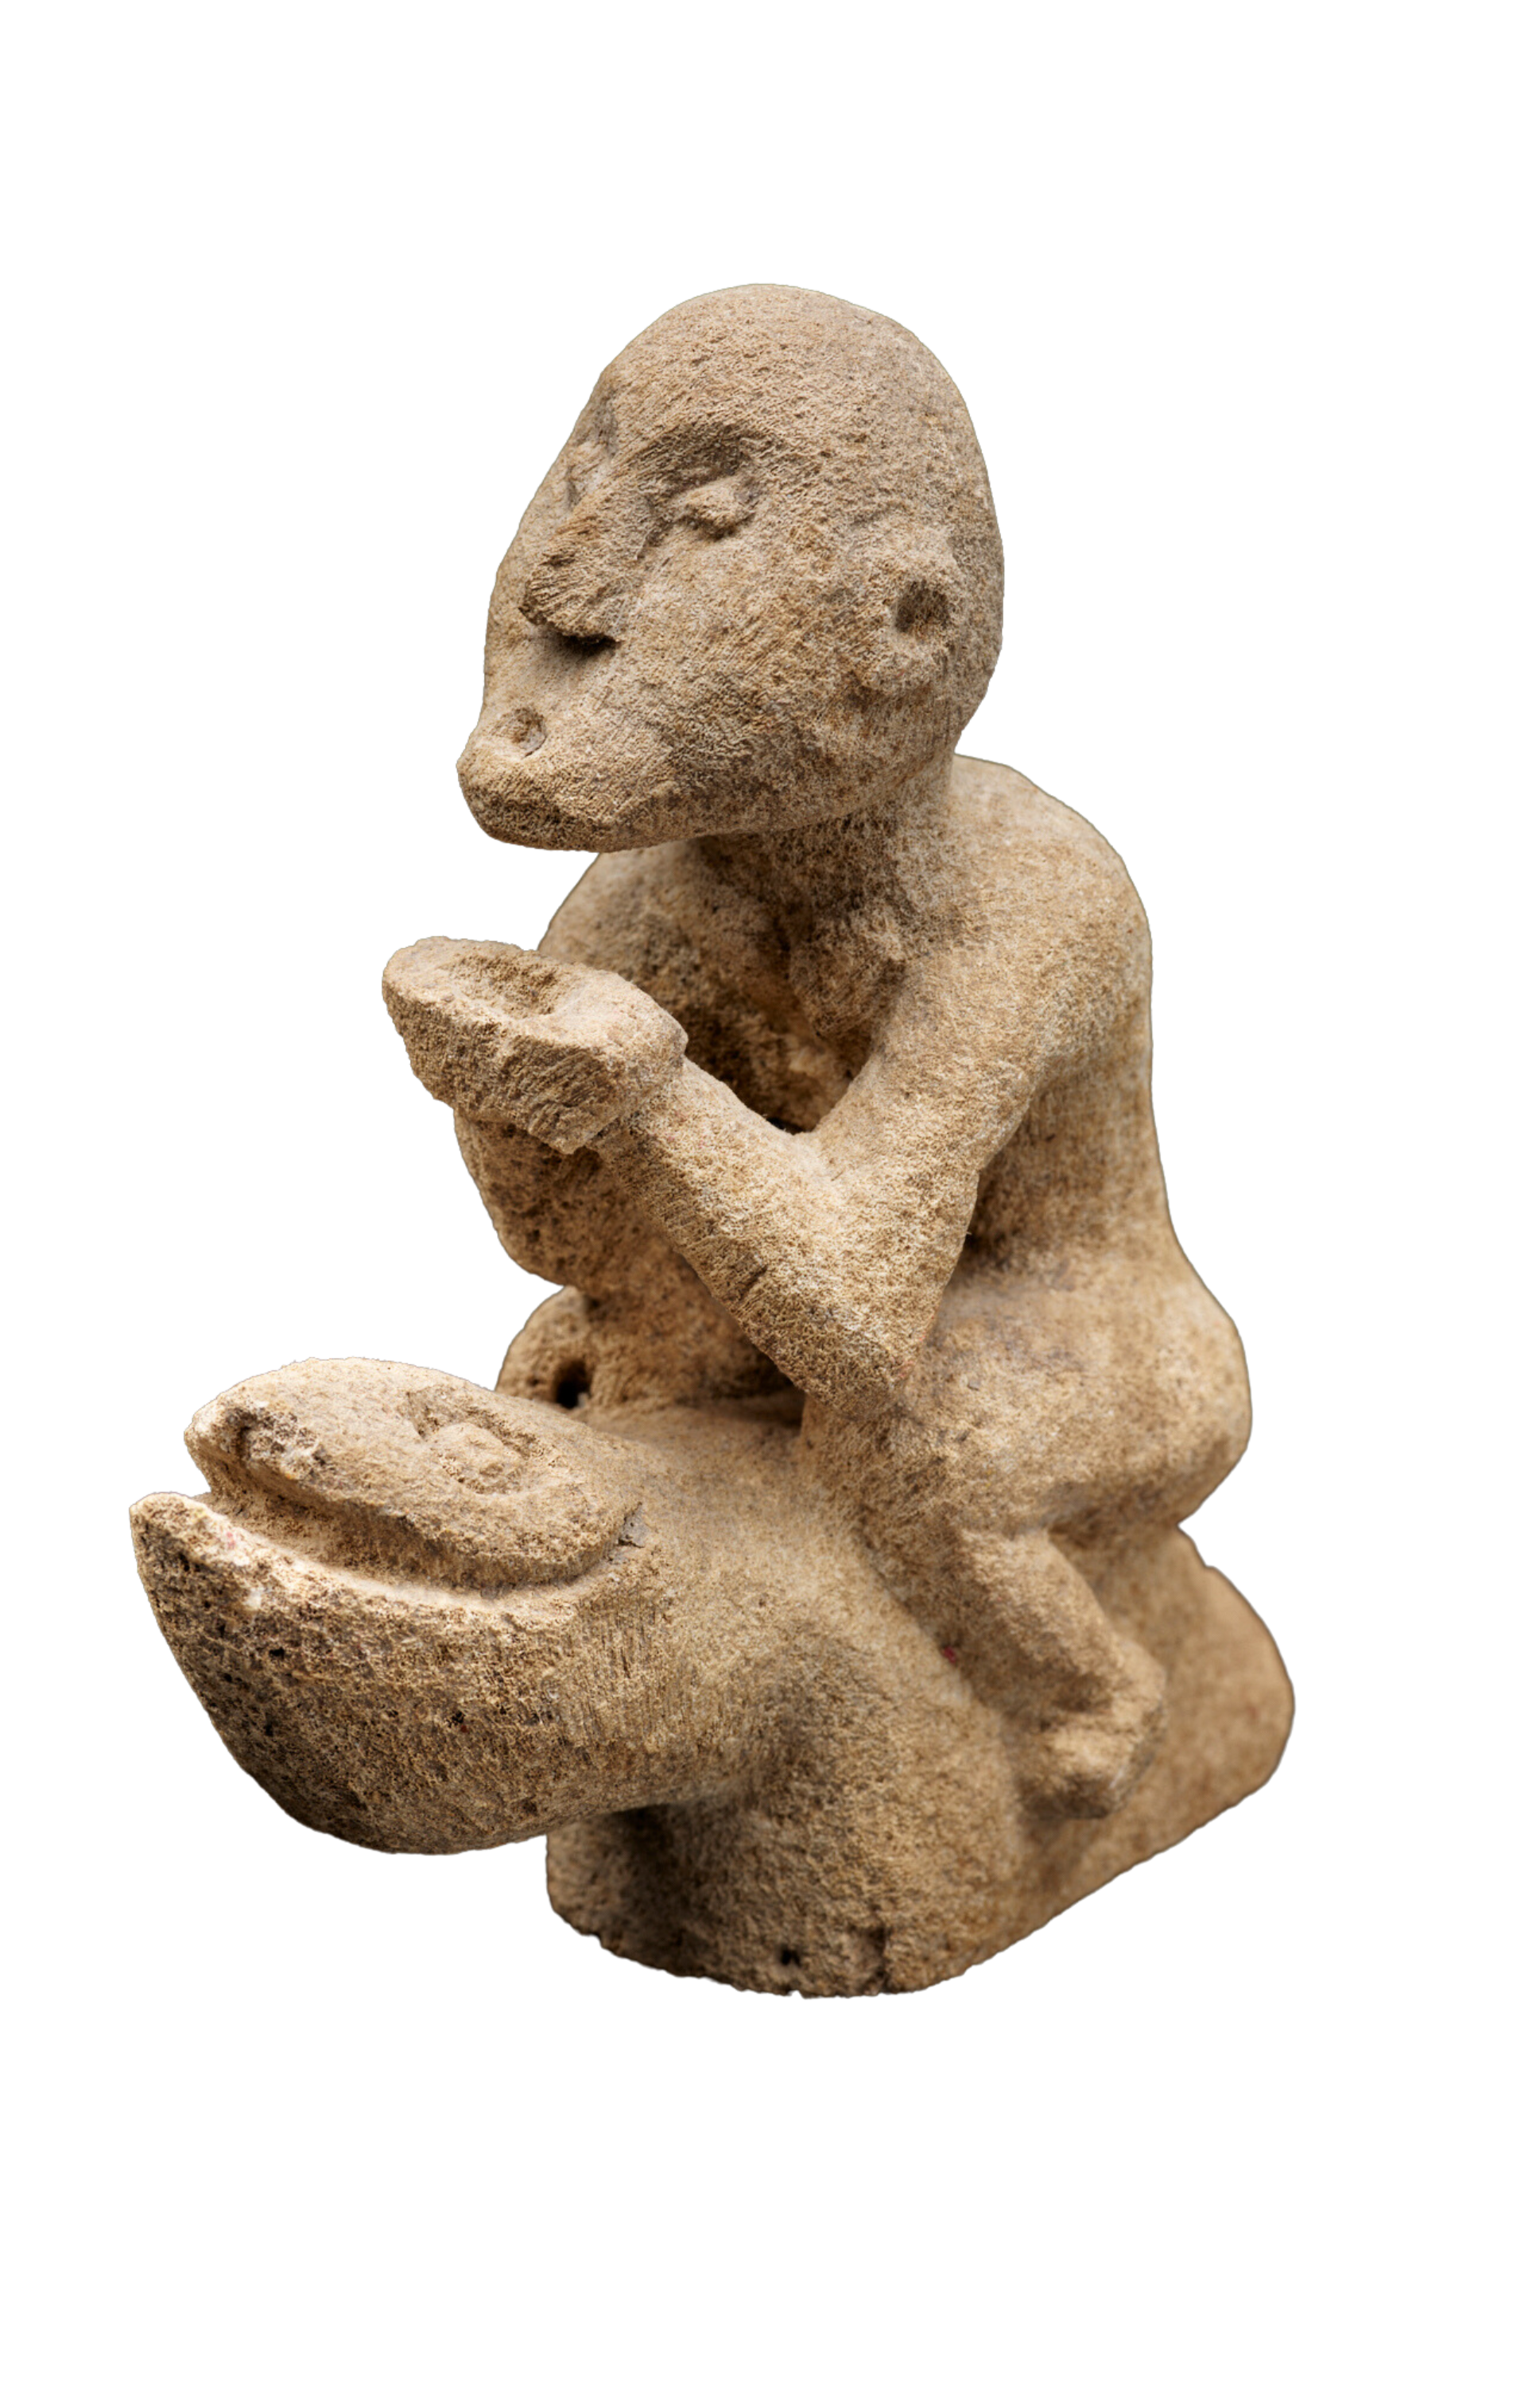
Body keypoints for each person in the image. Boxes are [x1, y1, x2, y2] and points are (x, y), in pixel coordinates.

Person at [418, 285, 1251, 1821]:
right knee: (590, 1371)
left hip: (1091, 1340)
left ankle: (1097, 1688)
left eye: (703, 517)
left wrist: (638, 1087)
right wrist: (503, 1083)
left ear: (904, 632)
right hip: (790, 1333)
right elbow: (580, 1246)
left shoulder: (1026, 892)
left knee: (916, 1453)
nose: (567, 580)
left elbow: (863, 1313)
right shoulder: (642, 900)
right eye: (585, 467)